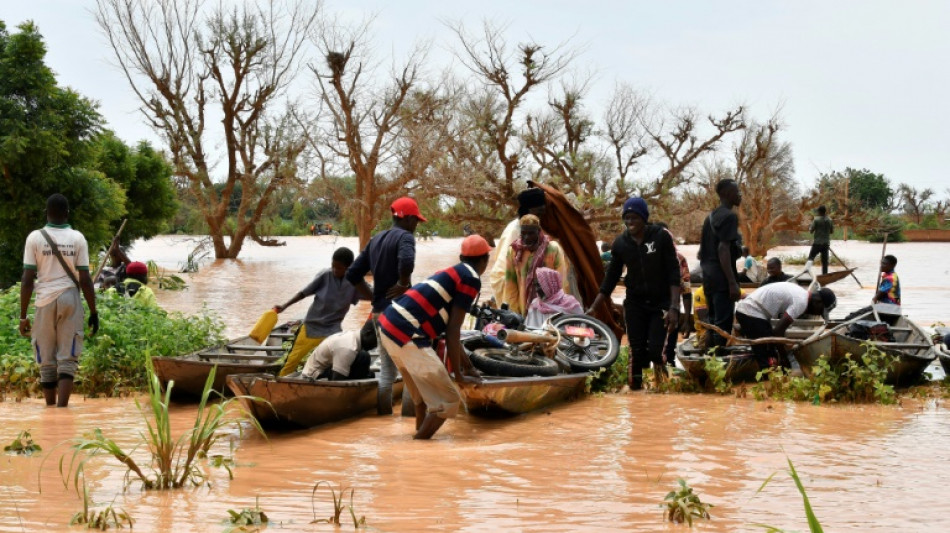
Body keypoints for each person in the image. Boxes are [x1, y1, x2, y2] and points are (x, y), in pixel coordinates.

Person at [377, 235, 490, 439]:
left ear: (461, 257)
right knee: (448, 400)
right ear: (485, 260)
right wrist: (460, 374)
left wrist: (467, 366)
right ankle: (418, 445)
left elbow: (449, 331)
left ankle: (417, 457)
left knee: (422, 399)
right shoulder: (471, 278)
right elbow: (454, 330)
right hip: (407, 332)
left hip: (388, 327)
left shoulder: (452, 272)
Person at [587, 198, 681, 389]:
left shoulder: (661, 236)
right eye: (626, 218)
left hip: (660, 303)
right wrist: (594, 308)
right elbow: (610, 279)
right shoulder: (621, 244)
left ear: (644, 218)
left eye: (634, 218)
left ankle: (663, 381)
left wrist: (674, 307)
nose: (630, 222)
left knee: (656, 351)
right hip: (635, 304)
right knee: (635, 351)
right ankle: (635, 394)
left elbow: (674, 273)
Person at [19, 194, 99, 407]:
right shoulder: (78, 238)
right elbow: (85, 279)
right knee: (68, 356)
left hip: (44, 299)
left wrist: (22, 316)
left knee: (46, 358)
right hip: (70, 298)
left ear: (46, 213)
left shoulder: (34, 238)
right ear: (67, 214)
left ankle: (50, 411)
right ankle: (63, 410)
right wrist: (93, 312)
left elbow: (27, 280)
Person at [346, 196, 424, 415]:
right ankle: (410, 420)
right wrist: (403, 283)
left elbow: (353, 274)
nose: (416, 225)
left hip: (380, 313)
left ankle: (383, 418)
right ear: (408, 219)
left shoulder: (376, 240)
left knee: (387, 369)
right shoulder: (406, 237)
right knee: (410, 369)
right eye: (416, 220)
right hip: (401, 312)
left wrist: (372, 296)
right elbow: (407, 261)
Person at [274, 247, 360, 376]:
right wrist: (285, 306)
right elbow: (304, 292)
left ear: (348, 268)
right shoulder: (325, 275)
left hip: (333, 330)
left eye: (339, 268)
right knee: (292, 361)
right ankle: (280, 382)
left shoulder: (355, 282)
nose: (335, 270)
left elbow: (372, 295)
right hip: (312, 327)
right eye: (333, 266)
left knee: (339, 359)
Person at [735, 283, 836, 368]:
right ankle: (767, 379)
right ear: (818, 302)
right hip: (750, 312)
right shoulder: (801, 302)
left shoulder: (802, 294)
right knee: (769, 360)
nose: (818, 314)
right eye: (820, 311)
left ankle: (746, 334)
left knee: (770, 347)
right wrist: (784, 358)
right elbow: (778, 331)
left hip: (751, 311)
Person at [697, 178, 743, 353]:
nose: (740, 195)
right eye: (736, 191)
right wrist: (732, 282)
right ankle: (718, 358)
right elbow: (723, 249)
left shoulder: (710, 217)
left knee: (713, 320)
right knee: (723, 323)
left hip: (708, 278)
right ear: (726, 194)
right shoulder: (730, 216)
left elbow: (702, 252)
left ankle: (709, 356)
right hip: (722, 279)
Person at [498, 214, 569, 316]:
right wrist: (514, 311)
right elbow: (510, 284)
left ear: (539, 231)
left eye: (531, 233)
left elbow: (561, 281)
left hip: (550, 307)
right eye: (523, 233)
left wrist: (559, 308)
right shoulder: (514, 251)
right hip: (524, 308)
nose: (527, 237)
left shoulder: (552, 249)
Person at [489, 188, 548, 302]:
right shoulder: (515, 230)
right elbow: (505, 267)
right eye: (538, 212)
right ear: (527, 211)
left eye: (543, 212)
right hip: (507, 280)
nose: (541, 216)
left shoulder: (536, 228)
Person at [298, 319, 376, 381]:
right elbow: (337, 381)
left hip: (326, 369)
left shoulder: (353, 337)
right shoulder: (348, 347)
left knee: (366, 365)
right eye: (377, 340)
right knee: (363, 357)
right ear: (368, 334)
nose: (377, 345)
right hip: (313, 376)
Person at [807, 205, 834, 275]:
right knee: (825, 262)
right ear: (825, 212)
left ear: (819, 212)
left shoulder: (816, 220)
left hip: (817, 244)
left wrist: (809, 227)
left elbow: (811, 231)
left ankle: (806, 273)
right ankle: (824, 275)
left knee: (810, 259)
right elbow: (831, 231)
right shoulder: (830, 220)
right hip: (825, 244)